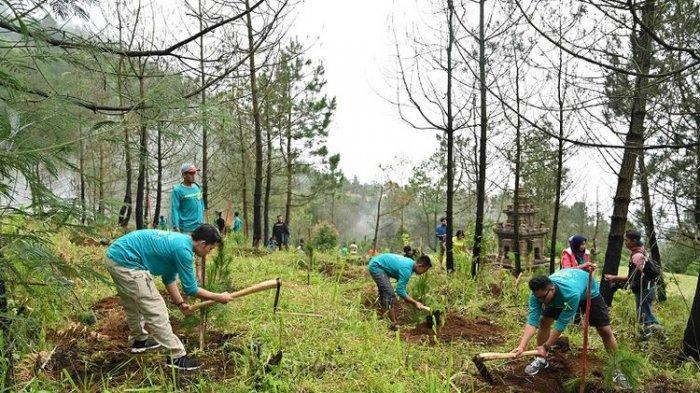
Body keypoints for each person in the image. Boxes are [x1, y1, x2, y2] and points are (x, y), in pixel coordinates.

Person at [103, 224, 233, 371]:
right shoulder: (183, 251)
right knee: (156, 308)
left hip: (115, 257)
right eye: (210, 249)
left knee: (133, 303)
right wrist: (218, 297)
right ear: (203, 244)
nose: (209, 253)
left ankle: (139, 340)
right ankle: (176, 356)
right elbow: (191, 288)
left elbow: (169, 278)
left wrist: (180, 303)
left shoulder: (181, 242)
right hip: (127, 263)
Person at [511, 269, 631, 389]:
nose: (540, 301)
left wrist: (546, 346)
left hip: (588, 291)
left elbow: (561, 324)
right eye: (538, 298)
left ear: (551, 289)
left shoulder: (570, 293)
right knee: (544, 321)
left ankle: (617, 368)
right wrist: (522, 346)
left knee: (605, 330)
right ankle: (541, 359)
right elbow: (532, 322)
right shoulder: (537, 295)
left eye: (542, 297)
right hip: (564, 293)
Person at [604, 230, 664, 340]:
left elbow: (633, 277)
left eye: (626, 240)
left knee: (644, 316)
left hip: (644, 289)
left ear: (634, 241)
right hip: (648, 288)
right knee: (646, 314)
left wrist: (614, 278)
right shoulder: (642, 251)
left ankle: (647, 340)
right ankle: (658, 337)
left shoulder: (637, 256)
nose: (625, 242)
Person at [367, 253, 432, 330]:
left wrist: (407, 298)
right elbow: (400, 291)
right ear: (420, 266)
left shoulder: (410, 263)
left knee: (385, 293)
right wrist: (415, 302)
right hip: (376, 266)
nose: (423, 273)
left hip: (378, 264)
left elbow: (402, 288)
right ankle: (393, 324)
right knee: (389, 293)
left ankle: (383, 319)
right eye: (424, 270)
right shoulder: (406, 270)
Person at [171, 163, 204, 234]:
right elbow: (175, 209)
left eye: (194, 173)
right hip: (187, 229)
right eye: (191, 173)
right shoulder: (177, 190)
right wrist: (176, 227)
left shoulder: (197, 187)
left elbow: (201, 204)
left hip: (200, 228)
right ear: (184, 175)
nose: (193, 175)